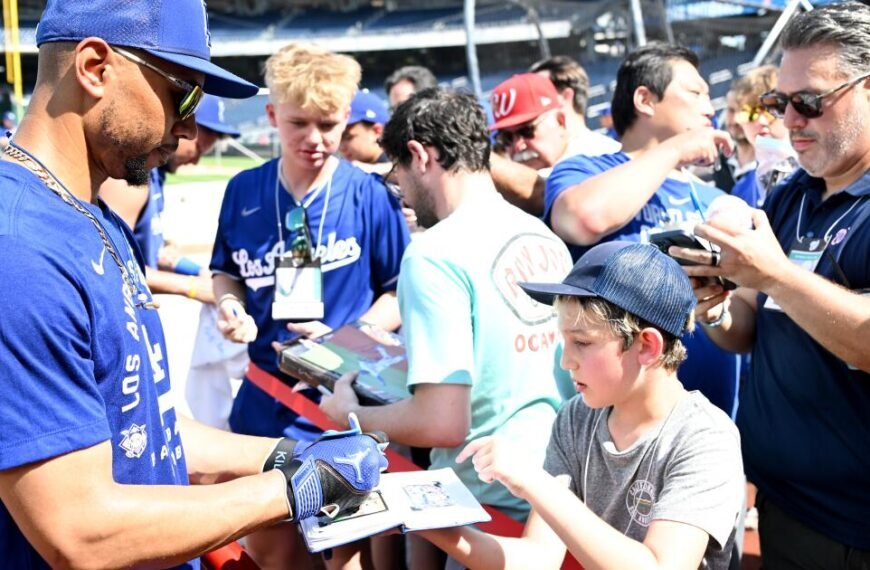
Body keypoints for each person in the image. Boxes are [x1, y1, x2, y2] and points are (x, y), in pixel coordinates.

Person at [0, 2, 388, 569]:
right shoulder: (18, 250)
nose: (188, 128)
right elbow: (80, 532)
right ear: (94, 68)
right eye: (183, 94)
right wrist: (292, 487)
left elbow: (148, 428)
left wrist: (292, 454)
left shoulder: (93, 215)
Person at [673, 4, 870, 567]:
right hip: (783, 504)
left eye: (809, 101)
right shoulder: (790, 195)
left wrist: (774, 274)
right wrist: (713, 305)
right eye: (779, 103)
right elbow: (748, 328)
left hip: (855, 527)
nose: (790, 120)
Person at [321, 88, 572, 521]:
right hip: (558, 496)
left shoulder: (432, 253)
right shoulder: (544, 237)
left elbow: (442, 421)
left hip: (486, 501)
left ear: (420, 156)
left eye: (397, 172)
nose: (401, 191)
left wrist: (350, 415)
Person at [419, 241, 743, 569]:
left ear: (646, 346)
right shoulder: (576, 417)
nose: (566, 361)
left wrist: (535, 482)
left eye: (582, 342)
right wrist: (426, 522)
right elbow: (538, 558)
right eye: (564, 341)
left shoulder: (706, 439)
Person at [210, 41, 410, 569]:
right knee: (272, 553)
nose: (316, 139)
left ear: (347, 118)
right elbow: (226, 272)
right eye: (299, 123)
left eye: (329, 124)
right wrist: (231, 308)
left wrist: (347, 340)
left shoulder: (369, 194)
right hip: (264, 399)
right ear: (271, 115)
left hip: (341, 404)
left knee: (344, 558)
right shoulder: (243, 190)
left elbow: (399, 292)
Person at [543, 43, 741, 418]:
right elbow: (582, 219)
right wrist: (675, 150)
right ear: (645, 100)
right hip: (614, 423)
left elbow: (744, 324)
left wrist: (716, 311)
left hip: (708, 419)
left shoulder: (716, 200)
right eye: (695, 92)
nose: (709, 107)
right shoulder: (583, 172)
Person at [101, 93, 241, 304]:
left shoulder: (156, 175)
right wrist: (191, 287)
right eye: (197, 149)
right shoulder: (131, 177)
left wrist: (196, 271)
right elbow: (111, 262)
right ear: (182, 126)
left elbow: (152, 253)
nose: (195, 161)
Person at [489, 63, 621, 215]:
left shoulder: (602, 156)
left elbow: (539, 192)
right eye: (506, 137)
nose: (517, 145)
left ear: (560, 120)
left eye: (527, 131)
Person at [728, 66, 797, 209]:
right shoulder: (739, 192)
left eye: (770, 111)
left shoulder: (816, 169)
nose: (761, 121)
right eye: (749, 113)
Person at [339, 88, 390, 166]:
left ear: (377, 131)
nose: (341, 148)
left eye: (348, 137)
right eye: (338, 138)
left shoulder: (402, 168)